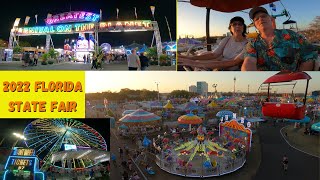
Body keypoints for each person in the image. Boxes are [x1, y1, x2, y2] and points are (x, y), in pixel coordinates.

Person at [242, 6, 317, 71]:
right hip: (264, 84)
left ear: (271, 20)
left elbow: (308, 54)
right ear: (255, 26)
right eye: (256, 19)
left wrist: (301, 78)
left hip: (293, 81)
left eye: (264, 16)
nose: (260, 19)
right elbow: (249, 62)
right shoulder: (252, 44)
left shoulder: (291, 35)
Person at [178, 16, 248, 70]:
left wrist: (194, 62)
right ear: (230, 28)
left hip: (231, 70)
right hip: (220, 66)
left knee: (196, 65)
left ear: (243, 27)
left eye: (240, 24)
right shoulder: (227, 39)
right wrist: (189, 58)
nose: (237, 26)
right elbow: (214, 54)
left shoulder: (248, 43)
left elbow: (234, 62)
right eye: (234, 24)